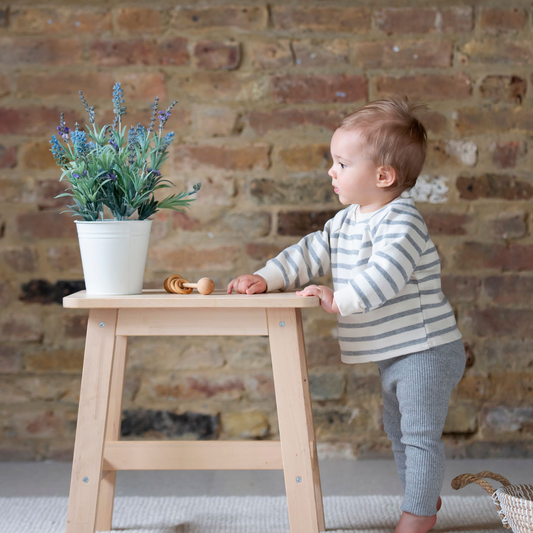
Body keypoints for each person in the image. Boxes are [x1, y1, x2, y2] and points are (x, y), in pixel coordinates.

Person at [226, 96, 465, 533]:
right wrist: (267, 277)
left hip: (426, 349)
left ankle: (419, 515)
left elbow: (387, 273)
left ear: (383, 175)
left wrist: (341, 299)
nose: (331, 172)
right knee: (399, 435)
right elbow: (308, 252)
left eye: (340, 163)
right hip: (396, 351)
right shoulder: (347, 221)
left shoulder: (403, 222)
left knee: (418, 436)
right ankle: (421, 494)